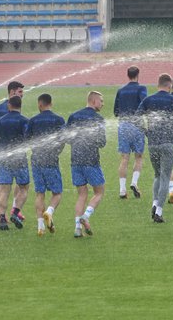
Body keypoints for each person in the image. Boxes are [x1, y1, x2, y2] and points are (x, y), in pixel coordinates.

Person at [136, 73, 173, 223]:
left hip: (153, 143)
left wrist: (146, 131)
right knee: (165, 176)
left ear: (158, 84)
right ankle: (159, 211)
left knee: (157, 175)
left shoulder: (148, 100)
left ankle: (154, 203)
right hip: (169, 143)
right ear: (169, 86)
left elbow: (136, 118)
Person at [67, 91, 106, 238]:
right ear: (94, 101)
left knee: (82, 194)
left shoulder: (73, 116)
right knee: (99, 192)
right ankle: (86, 215)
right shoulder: (98, 119)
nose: (103, 104)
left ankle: (77, 229)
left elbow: (67, 138)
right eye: (101, 101)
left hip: (75, 160)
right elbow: (102, 142)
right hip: (91, 161)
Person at [26, 93, 66, 237]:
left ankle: (40, 227)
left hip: (36, 160)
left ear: (40, 104)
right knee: (57, 193)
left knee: (39, 193)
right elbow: (63, 140)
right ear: (51, 103)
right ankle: (49, 212)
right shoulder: (59, 119)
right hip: (51, 160)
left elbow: (27, 140)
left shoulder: (33, 120)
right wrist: (56, 152)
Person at [0, 81, 26, 223]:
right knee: (8, 184)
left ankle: (6, 212)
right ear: (12, 92)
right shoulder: (8, 111)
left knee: (3, 182)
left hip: (0, 151)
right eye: (20, 92)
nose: (23, 95)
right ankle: (9, 211)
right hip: (11, 153)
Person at [114, 66, 147, 199]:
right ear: (137, 75)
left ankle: (122, 189)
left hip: (123, 125)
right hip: (137, 125)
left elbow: (115, 112)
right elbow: (145, 104)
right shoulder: (141, 88)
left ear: (127, 75)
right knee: (138, 156)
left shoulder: (120, 90)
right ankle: (134, 182)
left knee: (124, 158)